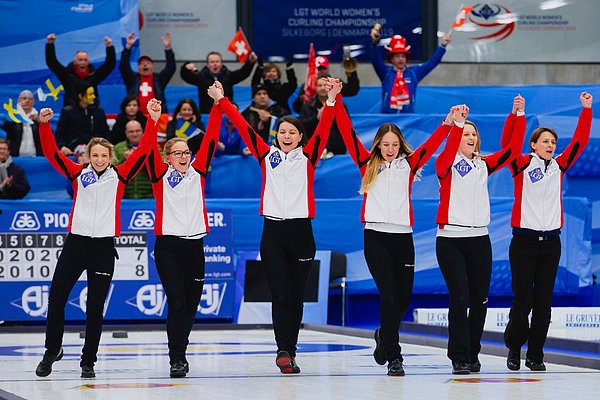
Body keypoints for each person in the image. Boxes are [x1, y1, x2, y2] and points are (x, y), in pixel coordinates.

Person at [208, 78, 342, 374]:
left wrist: (331, 100)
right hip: (272, 234)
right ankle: (282, 349)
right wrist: (221, 100)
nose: (286, 135)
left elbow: (324, 127)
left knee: (296, 296)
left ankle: (291, 350)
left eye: (292, 132)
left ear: (300, 137)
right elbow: (243, 128)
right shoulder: (265, 155)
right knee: (280, 294)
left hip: (301, 233)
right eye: (282, 131)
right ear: (276, 135)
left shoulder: (309, 156)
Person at [34, 98, 161, 379]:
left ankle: (87, 361)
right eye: (95, 156)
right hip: (76, 244)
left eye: (104, 155)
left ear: (111, 156)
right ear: (88, 157)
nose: (100, 160)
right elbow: (51, 153)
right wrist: (43, 125)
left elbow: (143, 151)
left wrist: (152, 121)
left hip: (103, 247)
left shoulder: (121, 175)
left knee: (94, 308)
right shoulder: (77, 173)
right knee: (56, 299)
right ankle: (51, 350)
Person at [334, 102, 459, 376]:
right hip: (376, 236)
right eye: (385, 144)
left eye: (394, 144)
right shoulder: (366, 163)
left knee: (402, 299)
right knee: (388, 295)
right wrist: (335, 101)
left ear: (400, 145)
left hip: (402, 237)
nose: (390, 149)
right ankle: (394, 356)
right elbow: (347, 132)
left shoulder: (409, 165)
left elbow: (434, 142)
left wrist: (449, 121)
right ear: (378, 145)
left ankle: (383, 333)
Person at [435, 97, 526, 375]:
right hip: (450, 239)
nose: (470, 137)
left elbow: (512, 150)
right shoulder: (446, 164)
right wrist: (457, 123)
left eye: (473, 134)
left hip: (479, 239)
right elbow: (447, 152)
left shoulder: (485, 164)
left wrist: (517, 115)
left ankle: (473, 353)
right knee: (459, 298)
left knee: (480, 299)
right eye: (465, 133)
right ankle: (458, 356)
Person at [504, 92, 593, 372]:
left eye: (553, 142)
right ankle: (514, 348)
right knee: (523, 300)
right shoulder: (521, 164)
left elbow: (580, 141)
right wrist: (517, 114)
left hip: (550, 243)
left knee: (543, 301)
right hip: (523, 242)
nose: (550, 145)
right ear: (533, 145)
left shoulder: (559, 166)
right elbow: (509, 145)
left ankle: (536, 354)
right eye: (545, 141)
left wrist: (587, 110)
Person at [146, 86, 222, 378]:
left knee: (189, 306)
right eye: (176, 153)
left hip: (195, 246)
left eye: (186, 152)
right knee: (176, 300)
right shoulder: (159, 175)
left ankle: (182, 350)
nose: (183, 156)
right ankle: (176, 357)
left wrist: (216, 105)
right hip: (167, 247)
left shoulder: (198, 172)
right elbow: (147, 149)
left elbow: (212, 137)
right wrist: (153, 121)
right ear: (167, 157)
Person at [370, 27, 450, 113]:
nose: (401, 59)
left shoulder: (413, 73)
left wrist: (442, 46)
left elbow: (431, 63)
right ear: (392, 59)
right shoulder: (385, 72)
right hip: (387, 118)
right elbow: (376, 61)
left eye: (403, 56)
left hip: (408, 118)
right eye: (397, 56)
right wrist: (375, 44)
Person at [45, 33, 115, 107]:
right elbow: (52, 62)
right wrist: (50, 44)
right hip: (71, 112)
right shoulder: (66, 75)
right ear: (75, 62)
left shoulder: (94, 75)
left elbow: (109, 65)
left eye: (85, 60)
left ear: (88, 61)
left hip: (91, 110)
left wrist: (109, 47)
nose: (83, 62)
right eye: (80, 60)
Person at [181, 51, 257, 114]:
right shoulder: (200, 77)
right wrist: (185, 67)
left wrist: (250, 62)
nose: (215, 64)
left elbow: (243, 73)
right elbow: (186, 77)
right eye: (212, 62)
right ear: (207, 65)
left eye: (217, 61)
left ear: (221, 64)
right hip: (207, 115)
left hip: (225, 115)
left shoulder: (229, 76)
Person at [120, 32, 175, 114]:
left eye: (148, 63)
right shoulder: (133, 79)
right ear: (138, 67)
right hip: (135, 117)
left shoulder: (159, 80)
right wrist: (128, 47)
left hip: (156, 118)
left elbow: (170, 68)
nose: (145, 65)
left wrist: (168, 49)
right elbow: (124, 67)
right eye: (142, 64)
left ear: (152, 67)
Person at [292, 54, 360, 114]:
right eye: (319, 68)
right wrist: (300, 100)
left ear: (327, 69)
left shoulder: (335, 83)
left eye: (323, 68)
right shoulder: (307, 86)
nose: (321, 71)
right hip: (312, 118)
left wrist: (351, 72)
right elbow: (297, 109)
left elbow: (352, 91)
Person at [54, 84, 109, 155]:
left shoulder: (99, 111)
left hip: (96, 149)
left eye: (94, 94)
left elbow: (105, 132)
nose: (94, 97)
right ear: (80, 96)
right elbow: (59, 133)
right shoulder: (68, 112)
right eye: (90, 94)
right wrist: (62, 146)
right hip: (72, 150)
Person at [300, 76, 349, 156]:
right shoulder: (307, 106)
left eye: (325, 85)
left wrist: (331, 116)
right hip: (313, 149)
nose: (323, 88)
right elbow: (302, 125)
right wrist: (316, 118)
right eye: (319, 85)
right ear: (315, 87)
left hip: (336, 148)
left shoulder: (341, 105)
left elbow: (346, 126)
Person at [114, 120, 153, 199]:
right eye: (131, 132)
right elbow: (111, 171)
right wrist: (124, 160)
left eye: (137, 131)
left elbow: (161, 169)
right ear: (126, 133)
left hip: (149, 196)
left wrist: (144, 159)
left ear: (142, 131)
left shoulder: (153, 147)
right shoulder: (118, 148)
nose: (135, 134)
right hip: (124, 197)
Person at [1, 90, 42, 156]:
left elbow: (48, 134)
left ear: (33, 102)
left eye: (30, 99)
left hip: (36, 158)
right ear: (18, 101)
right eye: (24, 98)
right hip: (15, 157)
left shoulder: (38, 118)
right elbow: (5, 127)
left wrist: (40, 121)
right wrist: (15, 114)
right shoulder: (13, 118)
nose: (27, 101)